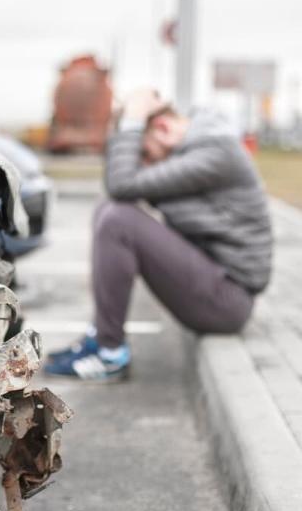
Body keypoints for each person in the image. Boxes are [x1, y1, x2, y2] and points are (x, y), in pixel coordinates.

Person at [44, 90, 273, 381]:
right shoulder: (202, 146)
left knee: (118, 219)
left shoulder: (216, 153)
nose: (144, 166)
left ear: (163, 129)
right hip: (214, 282)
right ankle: (100, 336)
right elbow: (120, 186)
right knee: (111, 208)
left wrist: (132, 121)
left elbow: (123, 183)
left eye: (146, 155)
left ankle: (109, 353)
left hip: (228, 300)